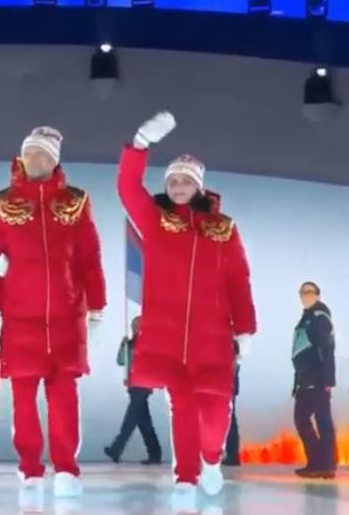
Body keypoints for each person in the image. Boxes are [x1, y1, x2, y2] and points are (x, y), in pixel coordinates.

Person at [117, 112, 256, 505]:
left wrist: (245, 328)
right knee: (182, 407)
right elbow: (127, 188)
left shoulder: (223, 229)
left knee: (215, 413)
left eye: (185, 181)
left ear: (198, 185)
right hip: (169, 336)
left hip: (212, 338)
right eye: (173, 182)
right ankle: (186, 477)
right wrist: (140, 144)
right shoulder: (156, 222)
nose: (178, 187)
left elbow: (238, 279)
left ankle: (211, 458)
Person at [0, 126, 107, 509]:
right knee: (23, 399)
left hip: (66, 317)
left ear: (55, 161)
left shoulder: (76, 202)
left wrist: (97, 307)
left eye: (43, 155)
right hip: (20, 319)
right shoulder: (2, 203)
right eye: (30, 153)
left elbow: (89, 257)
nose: (35, 160)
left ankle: (66, 469)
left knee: (64, 398)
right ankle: (30, 468)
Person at [291, 281, 336, 479]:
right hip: (305, 378)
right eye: (302, 292)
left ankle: (325, 465)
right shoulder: (307, 317)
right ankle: (317, 463)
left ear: (317, 294)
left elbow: (326, 348)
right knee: (303, 419)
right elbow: (300, 350)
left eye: (309, 292)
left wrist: (328, 380)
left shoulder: (319, 317)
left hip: (317, 377)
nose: (304, 295)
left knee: (321, 420)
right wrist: (297, 381)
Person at [104, 316, 162, 465]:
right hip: (133, 385)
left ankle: (116, 448)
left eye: (136, 325)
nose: (133, 328)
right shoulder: (129, 344)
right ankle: (155, 454)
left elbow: (153, 364)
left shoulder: (150, 343)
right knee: (144, 423)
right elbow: (120, 361)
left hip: (143, 385)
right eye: (133, 325)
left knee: (130, 420)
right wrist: (122, 346)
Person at [223, 353, 241, 467]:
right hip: (228, 382)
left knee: (229, 418)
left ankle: (232, 454)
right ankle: (232, 454)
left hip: (227, 382)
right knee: (229, 417)